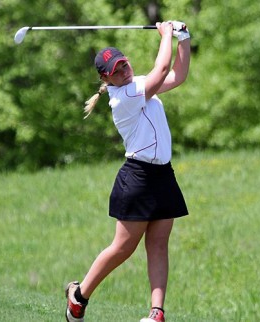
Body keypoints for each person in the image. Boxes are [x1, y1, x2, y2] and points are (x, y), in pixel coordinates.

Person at [65, 20, 191, 322]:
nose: (124, 70)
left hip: (163, 176)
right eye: (116, 70)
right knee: (122, 248)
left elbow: (178, 75)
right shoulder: (123, 97)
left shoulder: (137, 86)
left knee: (159, 245)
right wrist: (165, 36)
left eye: (124, 64)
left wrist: (183, 38)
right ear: (106, 78)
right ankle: (78, 297)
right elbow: (162, 71)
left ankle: (156, 313)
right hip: (137, 178)